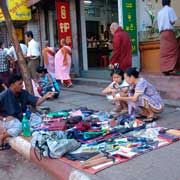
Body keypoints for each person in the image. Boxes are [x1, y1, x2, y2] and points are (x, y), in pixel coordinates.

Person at [0, 74, 55, 149]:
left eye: (22, 84)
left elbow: (36, 102)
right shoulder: (3, 95)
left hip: (21, 119)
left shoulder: (23, 93)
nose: (22, 86)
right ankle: (2, 137)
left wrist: (45, 96)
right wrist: (3, 119)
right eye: (19, 84)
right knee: (19, 126)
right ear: (12, 85)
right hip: (6, 120)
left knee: (40, 119)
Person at [157, 0, 179, 75]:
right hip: (169, 32)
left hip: (162, 34)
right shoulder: (170, 9)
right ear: (169, 2)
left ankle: (165, 69)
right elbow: (172, 21)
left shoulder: (159, 12)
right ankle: (172, 68)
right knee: (174, 49)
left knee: (164, 51)